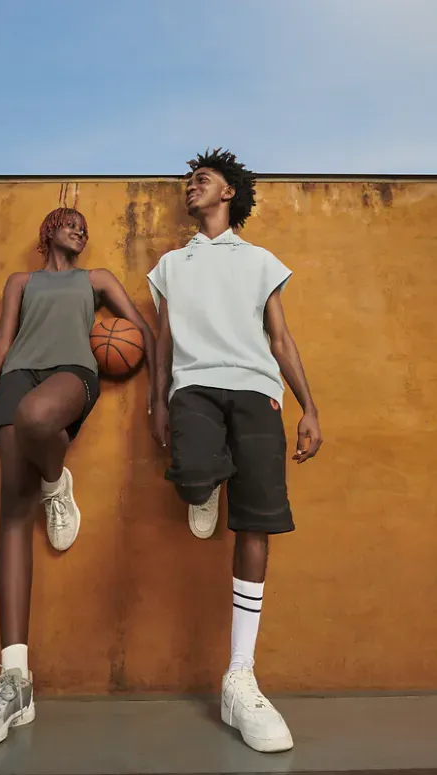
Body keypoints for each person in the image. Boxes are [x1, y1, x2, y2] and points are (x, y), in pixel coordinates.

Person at [0, 207, 155, 752]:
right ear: (47, 231)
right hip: (17, 374)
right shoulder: (21, 281)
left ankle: (55, 479)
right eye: (71, 222)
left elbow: (144, 333)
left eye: (86, 226)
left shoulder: (97, 280)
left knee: (39, 418)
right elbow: (1, 344)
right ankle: (15, 683)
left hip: (72, 373)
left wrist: (157, 393)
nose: (81, 230)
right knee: (12, 516)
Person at [148, 149, 322, 753]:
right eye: (190, 182)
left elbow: (279, 337)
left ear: (228, 194)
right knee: (193, 474)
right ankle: (209, 481)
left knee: (257, 521)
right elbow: (165, 339)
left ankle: (239, 677)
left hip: (256, 390)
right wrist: (156, 401)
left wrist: (309, 407)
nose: (191, 188)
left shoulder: (260, 262)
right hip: (193, 387)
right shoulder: (171, 263)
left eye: (202, 181)